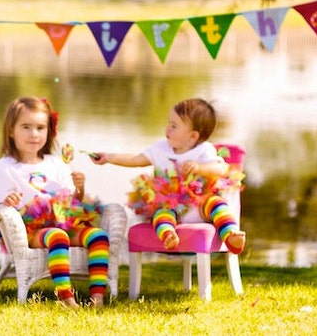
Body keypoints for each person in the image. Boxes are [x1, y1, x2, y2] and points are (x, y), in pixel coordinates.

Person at [0, 96, 109, 309]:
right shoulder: (4, 168)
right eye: (26, 127)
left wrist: (79, 188)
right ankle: (66, 298)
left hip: (64, 221)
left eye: (40, 127)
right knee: (57, 236)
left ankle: (97, 297)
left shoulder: (56, 164)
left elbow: (73, 201)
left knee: (98, 236)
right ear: (11, 130)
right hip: (33, 230)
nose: (34, 134)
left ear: (48, 131)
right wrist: (9, 200)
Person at [91, 97, 246, 254]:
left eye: (174, 126)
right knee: (160, 212)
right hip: (171, 206)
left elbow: (221, 169)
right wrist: (109, 157)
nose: (167, 130)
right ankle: (168, 234)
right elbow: (135, 159)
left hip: (200, 207)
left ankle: (231, 234)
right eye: (168, 123)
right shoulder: (160, 149)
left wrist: (200, 168)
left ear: (193, 136)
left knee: (216, 203)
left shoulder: (204, 150)